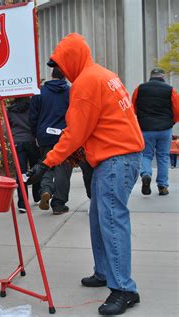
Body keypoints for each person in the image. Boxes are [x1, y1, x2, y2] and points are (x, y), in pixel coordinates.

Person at [26, 33, 144, 315]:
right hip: (120, 156)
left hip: (116, 158)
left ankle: (124, 289)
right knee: (99, 219)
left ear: (72, 59)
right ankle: (106, 272)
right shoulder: (102, 74)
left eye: (62, 63)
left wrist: (46, 163)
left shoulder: (85, 83)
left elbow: (75, 133)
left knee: (112, 221)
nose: (62, 70)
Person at [30, 67, 72, 215]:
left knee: (46, 164)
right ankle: (58, 204)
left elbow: (33, 116)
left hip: (44, 136)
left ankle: (46, 190)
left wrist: (36, 135)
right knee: (63, 170)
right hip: (64, 137)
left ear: (51, 75)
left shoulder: (39, 92)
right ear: (65, 76)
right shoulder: (70, 92)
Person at [132, 67, 179, 196]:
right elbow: (177, 109)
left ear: (151, 76)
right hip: (164, 129)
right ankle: (162, 186)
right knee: (163, 157)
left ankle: (146, 174)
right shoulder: (171, 90)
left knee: (146, 155)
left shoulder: (139, 89)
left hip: (146, 128)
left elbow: (134, 107)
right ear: (163, 77)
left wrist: (142, 119)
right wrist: (172, 122)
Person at [6, 97, 41, 213]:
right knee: (36, 168)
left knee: (21, 173)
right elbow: (36, 122)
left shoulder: (10, 110)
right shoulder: (32, 107)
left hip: (17, 142)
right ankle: (37, 195)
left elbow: (8, 126)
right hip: (32, 141)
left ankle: (22, 203)